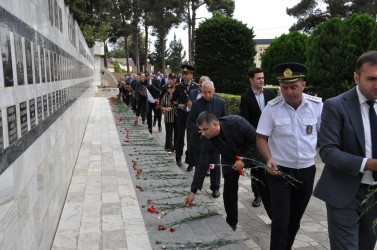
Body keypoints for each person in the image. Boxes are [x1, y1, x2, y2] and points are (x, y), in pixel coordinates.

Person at [313, 51, 377, 250]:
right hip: (344, 191)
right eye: (371, 79)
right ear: (356, 77)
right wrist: (369, 164)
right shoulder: (336, 105)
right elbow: (328, 151)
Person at [256, 62, 323, 250]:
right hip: (280, 172)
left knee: (294, 221)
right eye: (284, 88)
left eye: (293, 87)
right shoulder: (272, 108)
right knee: (280, 221)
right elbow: (261, 137)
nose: (288, 92)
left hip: (306, 172)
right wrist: (268, 158)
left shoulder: (317, 107)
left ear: (303, 85)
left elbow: (327, 136)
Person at [183, 111, 259, 231]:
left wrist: (244, 159)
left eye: (205, 129)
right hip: (229, 160)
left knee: (264, 186)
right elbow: (202, 165)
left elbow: (257, 139)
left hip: (251, 154)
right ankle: (231, 223)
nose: (202, 133)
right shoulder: (206, 139)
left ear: (216, 125)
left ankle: (274, 216)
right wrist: (193, 191)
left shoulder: (236, 122)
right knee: (229, 190)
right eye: (201, 130)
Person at [240, 68, 275, 213]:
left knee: (271, 164)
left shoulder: (270, 94)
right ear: (251, 80)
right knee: (256, 167)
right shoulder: (246, 97)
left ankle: (272, 191)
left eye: (262, 78)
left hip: (272, 137)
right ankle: (257, 195)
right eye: (258, 78)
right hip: (255, 137)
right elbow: (245, 120)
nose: (262, 80)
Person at [187, 80, 226, 198]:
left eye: (210, 92)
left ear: (214, 91)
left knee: (215, 164)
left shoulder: (220, 103)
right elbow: (190, 122)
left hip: (215, 140)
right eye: (205, 92)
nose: (208, 95)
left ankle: (215, 187)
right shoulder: (197, 104)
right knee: (200, 164)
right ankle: (197, 187)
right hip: (201, 139)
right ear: (201, 91)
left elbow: (224, 120)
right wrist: (201, 130)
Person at [172, 65, 198, 167]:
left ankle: (190, 160)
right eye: (183, 74)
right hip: (181, 116)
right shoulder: (179, 87)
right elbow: (172, 100)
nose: (185, 76)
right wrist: (179, 105)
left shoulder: (196, 87)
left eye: (187, 74)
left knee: (191, 139)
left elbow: (200, 101)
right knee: (180, 138)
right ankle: (178, 158)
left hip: (192, 117)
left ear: (191, 75)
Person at [160, 80, 177, 153]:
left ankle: (176, 147)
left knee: (177, 133)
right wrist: (166, 109)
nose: (169, 89)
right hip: (168, 117)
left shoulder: (177, 96)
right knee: (169, 133)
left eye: (171, 87)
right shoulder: (165, 96)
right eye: (168, 87)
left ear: (174, 88)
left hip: (176, 117)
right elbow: (161, 106)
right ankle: (169, 147)